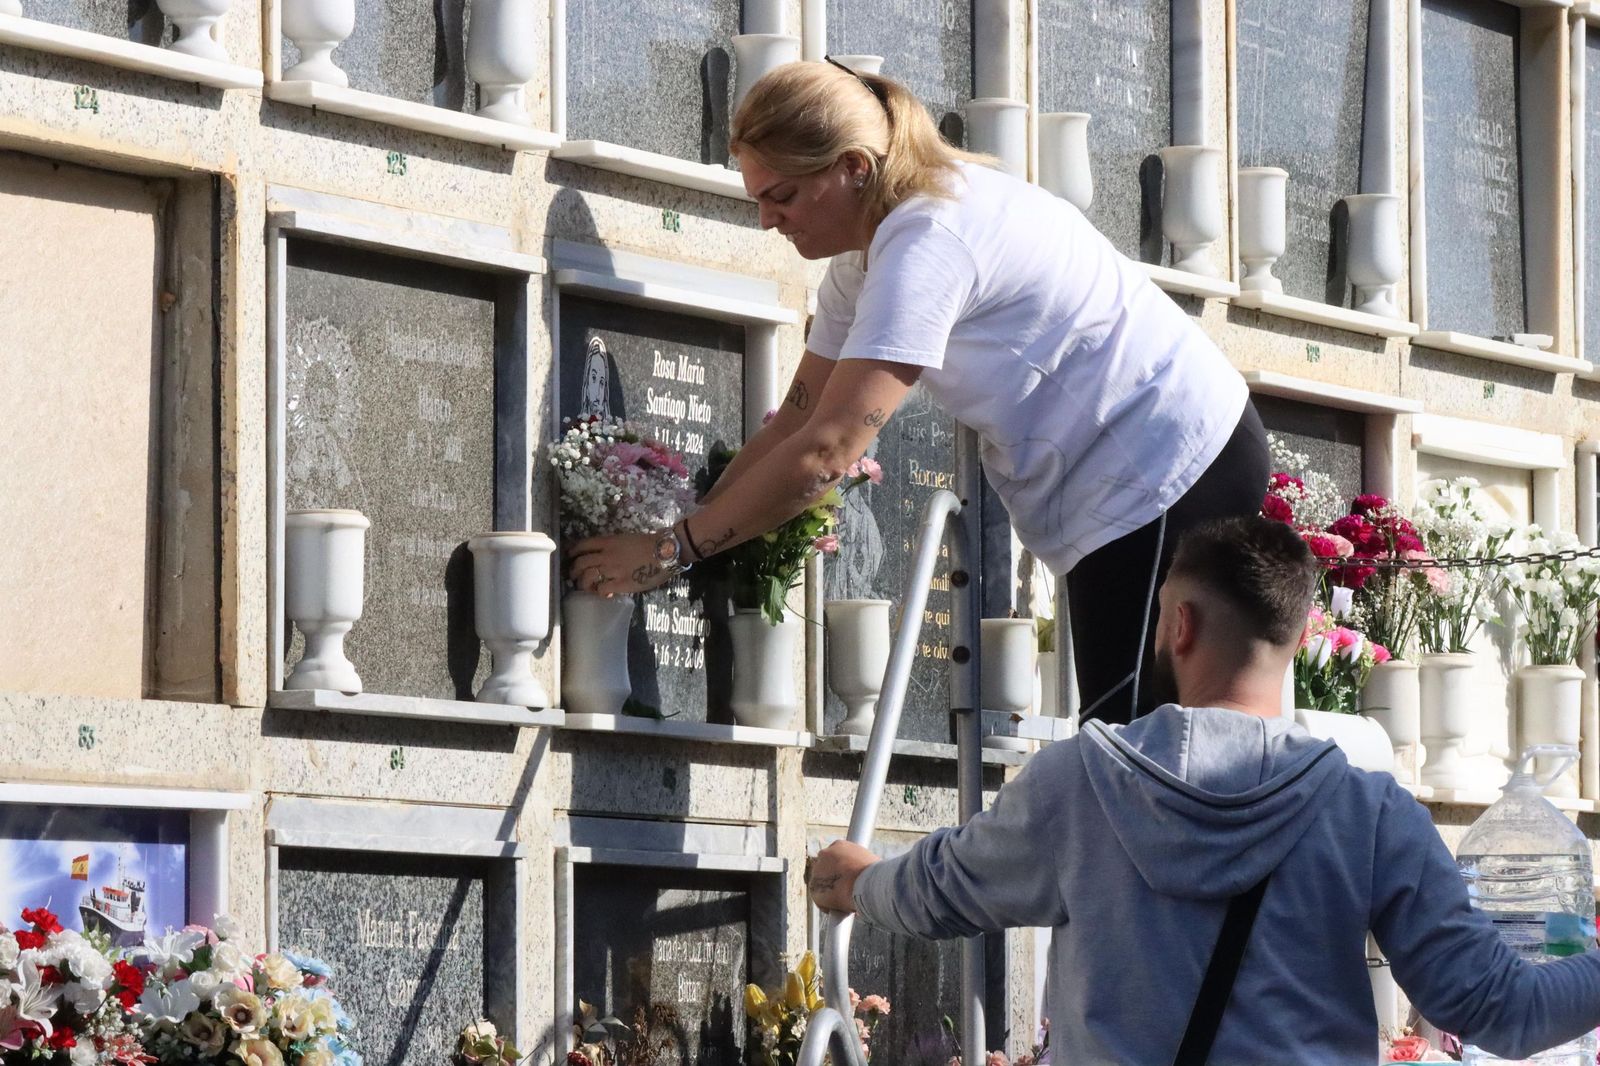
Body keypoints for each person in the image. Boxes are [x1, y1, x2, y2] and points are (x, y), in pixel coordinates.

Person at [566, 59, 1266, 725]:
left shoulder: (928, 240)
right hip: (1136, 478)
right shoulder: (866, 258)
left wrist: (671, 551)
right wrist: (691, 525)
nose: (767, 221)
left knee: (1139, 748)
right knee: (1144, 747)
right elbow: (797, 422)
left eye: (780, 196)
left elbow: (828, 454)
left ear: (853, 169)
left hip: (1165, 468)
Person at [806, 516, 1600, 1064]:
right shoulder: (1369, 811)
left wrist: (860, 882)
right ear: (1294, 639)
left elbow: (944, 890)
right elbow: (1505, 1009)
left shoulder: (1079, 784)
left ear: (1180, 626)